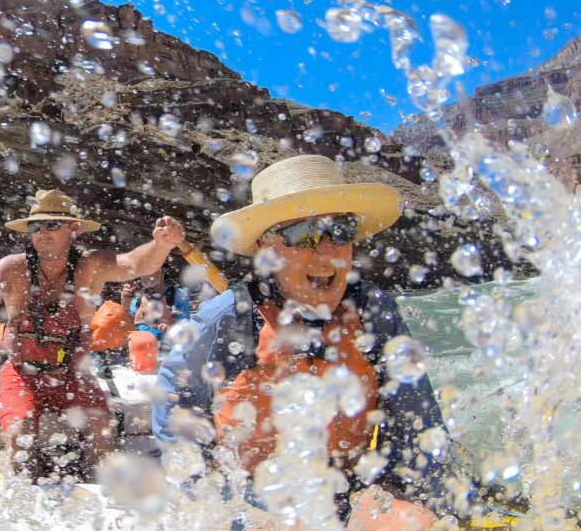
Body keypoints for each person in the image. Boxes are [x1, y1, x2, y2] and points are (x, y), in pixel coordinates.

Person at [152, 155, 450, 529]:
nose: (327, 253)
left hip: (353, 492)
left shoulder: (376, 312)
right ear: (267, 249)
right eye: (303, 234)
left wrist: (402, 493)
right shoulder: (229, 316)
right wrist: (207, 498)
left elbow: (417, 421)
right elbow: (173, 398)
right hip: (254, 502)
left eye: (341, 232)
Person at [0, 189, 184, 476]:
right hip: (21, 374)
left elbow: (135, 263)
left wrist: (161, 244)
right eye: (35, 226)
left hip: (74, 375)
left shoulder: (92, 266)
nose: (42, 232)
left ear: (72, 228)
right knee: (19, 432)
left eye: (52, 225)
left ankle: (100, 500)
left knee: (102, 432)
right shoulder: (12, 267)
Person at [120, 265, 191, 340]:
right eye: (142, 271)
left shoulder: (177, 294)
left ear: (161, 271)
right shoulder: (139, 297)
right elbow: (132, 323)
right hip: (145, 345)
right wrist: (126, 304)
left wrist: (170, 328)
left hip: (168, 345)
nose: (146, 275)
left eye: (150, 270)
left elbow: (184, 324)